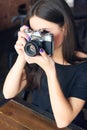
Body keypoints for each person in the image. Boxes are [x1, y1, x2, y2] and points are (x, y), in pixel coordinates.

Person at [2, 0, 87, 129]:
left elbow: (63, 121)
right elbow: (8, 93)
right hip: (37, 120)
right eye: (34, 32)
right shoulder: (36, 56)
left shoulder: (83, 66)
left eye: (44, 32)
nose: (38, 39)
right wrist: (22, 55)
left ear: (65, 28)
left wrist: (50, 71)